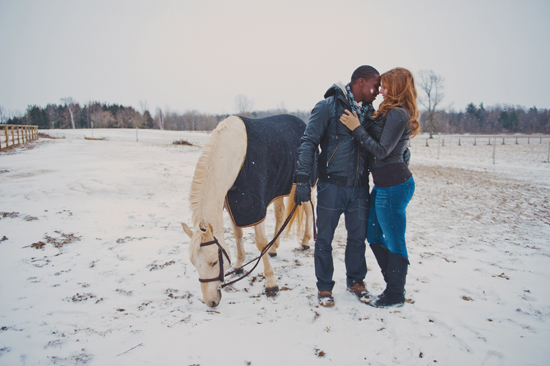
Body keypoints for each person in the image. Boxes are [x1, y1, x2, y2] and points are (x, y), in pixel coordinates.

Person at [293, 65, 380, 307]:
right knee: (324, 240)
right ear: (360, 82)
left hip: (360, 187)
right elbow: (308, 142)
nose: (377, 91)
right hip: (331, 186)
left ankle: (355, 281)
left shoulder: (370, 114)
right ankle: (324, 288)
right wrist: (302, 179)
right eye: (375, 85)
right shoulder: (327, 107)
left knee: (357, 239)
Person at [339, 67, 420, 307]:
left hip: (395, 186)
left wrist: (356, 127)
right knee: (373, 235)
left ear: (396, 88)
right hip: (383, 186)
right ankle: (393, 284)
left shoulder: (398, 113)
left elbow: (382, 150)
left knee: (395, 240)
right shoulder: (390, 111)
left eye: (385, 86)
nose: (380, 90)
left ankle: (395, 294)